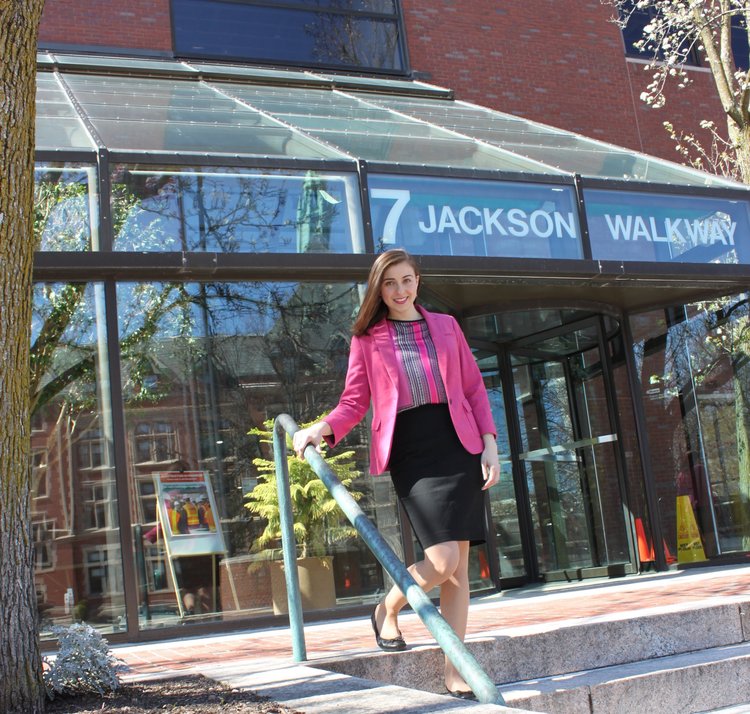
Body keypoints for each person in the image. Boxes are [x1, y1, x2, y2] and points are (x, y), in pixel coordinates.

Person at [293, 248, 500, 699]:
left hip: (458, 444)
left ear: (417, 281)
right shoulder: (368, 338)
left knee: (459, 573)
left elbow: (472, 387)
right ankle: (386, 607)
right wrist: (321, 429)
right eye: (390, 284)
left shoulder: (446, 326)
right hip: (411, 450)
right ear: (379, 290)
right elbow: (354, 401)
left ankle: (455, 672)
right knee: (443, 562)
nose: (400, 291)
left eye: (406, 281)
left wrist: (490, 443)